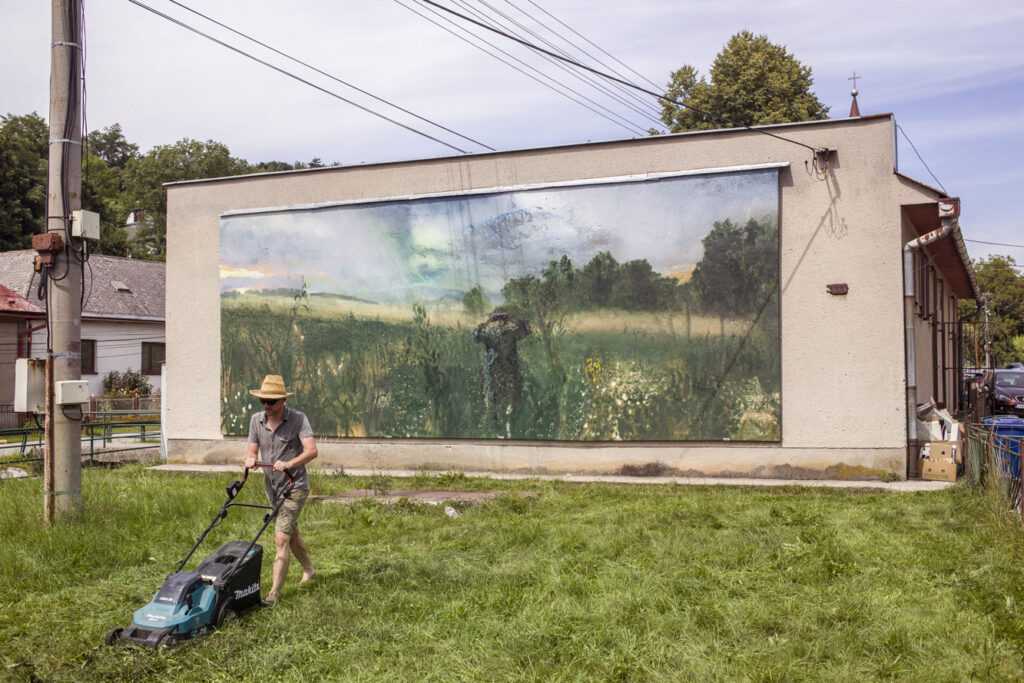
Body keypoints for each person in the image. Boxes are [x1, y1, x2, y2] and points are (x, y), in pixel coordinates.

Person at [244, 374, 317, 606]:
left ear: (282, 401)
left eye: (271, 402)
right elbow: (252, 450)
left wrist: (290, 463)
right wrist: (250, 459)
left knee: (281, 537)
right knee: (291, 532)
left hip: (294, 486)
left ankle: (273, 595)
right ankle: (309, 569)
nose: (266, 405)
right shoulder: (256, 420)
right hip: (273, 490)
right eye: (263, 401)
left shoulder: (298, 419)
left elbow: (312, 450)